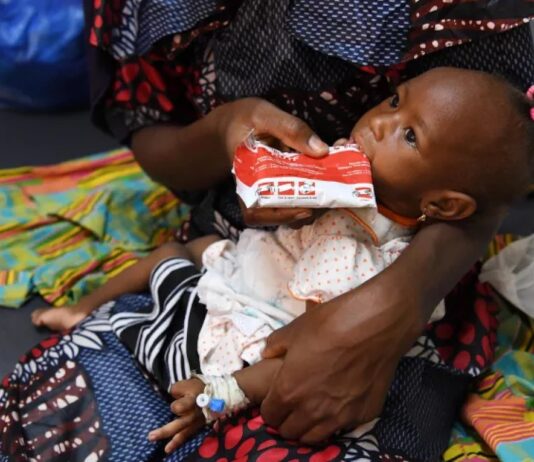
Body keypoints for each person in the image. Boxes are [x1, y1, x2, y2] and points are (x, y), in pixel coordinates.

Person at [33, 67, 534, 456]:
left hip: (268, 321)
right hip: (251, 261)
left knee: (279, 363)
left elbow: (311, 349)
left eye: (409, 136)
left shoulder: (385, 266)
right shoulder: (347, 171)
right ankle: (84, 307)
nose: (380, 122)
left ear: (444, 206)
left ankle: (215, 391)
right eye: (394, 101)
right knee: (173, 251)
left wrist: (225, 393)